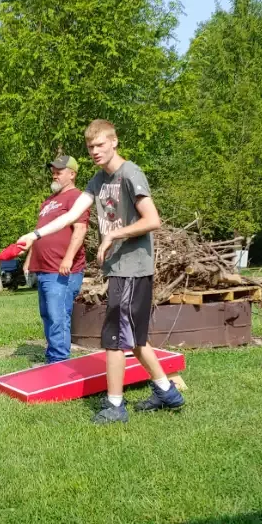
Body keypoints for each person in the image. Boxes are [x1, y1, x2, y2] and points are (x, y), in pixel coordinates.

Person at [17, 119, 184, 424]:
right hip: (119, 268)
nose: (94, 151)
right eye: (90, 146)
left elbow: (152, 219)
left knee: (115, 338)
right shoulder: (97, 180)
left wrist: (113, 235)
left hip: (132, 267)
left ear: (114, 142)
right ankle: (166, 391)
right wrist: (35, 235)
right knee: (134, 339)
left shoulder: (130, 174)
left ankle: (115, 406)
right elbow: (70, 214)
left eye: (99, 144)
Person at [22, 154, 89, 364]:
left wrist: (68, 259)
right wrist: (29, 259)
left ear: (72, 174)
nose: (54, 175)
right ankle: (53, 356)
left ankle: (59, 362)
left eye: (59, 172)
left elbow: (80, 229)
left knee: (58, 315)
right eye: (53, 172)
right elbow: (40, 232)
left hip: (62, 269)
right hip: (44, 268)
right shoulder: (49, 202)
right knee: (48, 314)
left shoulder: (76, 197)